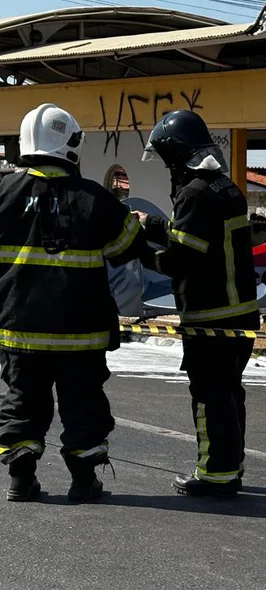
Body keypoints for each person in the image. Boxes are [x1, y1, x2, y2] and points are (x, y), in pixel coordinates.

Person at [0, 104, 147, 503]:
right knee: (83, 409)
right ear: (70, 144)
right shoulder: (94, 198)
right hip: (81, 335)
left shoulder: (3, 194)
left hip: (19, 331)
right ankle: (84, 482)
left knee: (21, 405)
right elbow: (128, 245)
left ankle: (21, 480)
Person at [136, 110, 259, 497]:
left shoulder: (193, 194)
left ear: (176, 154)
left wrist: (140, 251)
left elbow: (181, 260)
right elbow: (199, 237)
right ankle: (230, 465)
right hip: (239, 314)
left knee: (209, 396)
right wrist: (154, 225)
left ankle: (215, 474)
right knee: (229, 393)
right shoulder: (225, 187)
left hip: (211, 317)